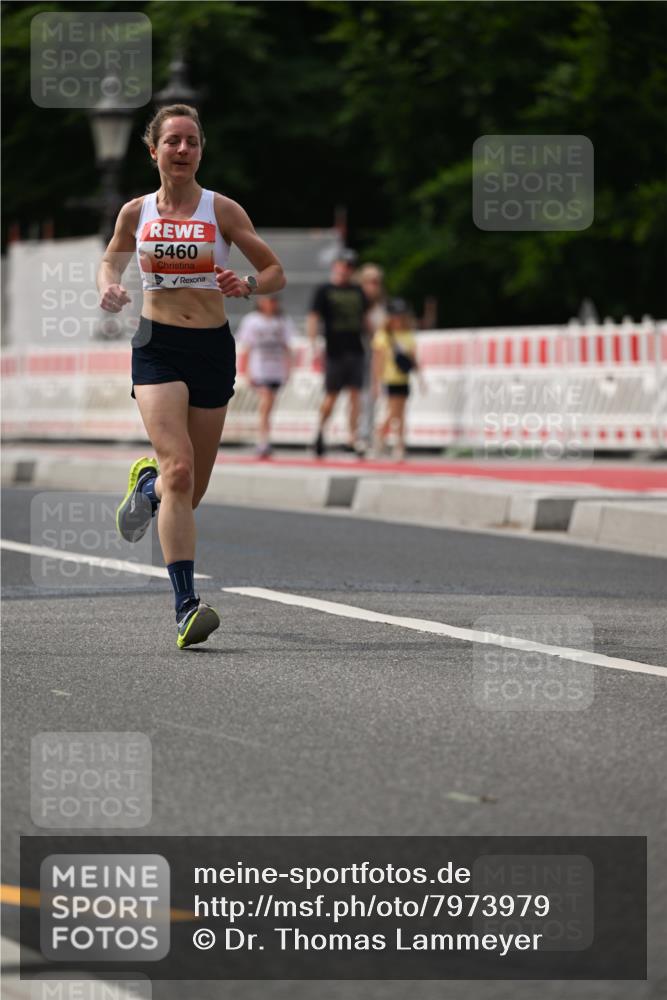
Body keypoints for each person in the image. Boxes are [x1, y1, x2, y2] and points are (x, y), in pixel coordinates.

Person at [97, 104, 285, 648]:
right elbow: (111, 257)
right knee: (180, 468)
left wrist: (246, 285)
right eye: (173, 141)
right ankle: (186, 607)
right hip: (157, 345)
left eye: (192, 142)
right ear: (152, 150)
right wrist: (106, 285)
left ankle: (147, 487)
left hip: (211, 348)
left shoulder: (221, 210)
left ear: (201, 151)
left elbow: (275, 272)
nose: (182, 151)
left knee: (190, 488)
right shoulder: (136, 212)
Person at [307, 249, 369, 457]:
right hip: (334, 350)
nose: (346, 269)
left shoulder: (358, 291)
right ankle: (320, 432)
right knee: (331, 395)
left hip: (355, 348)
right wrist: (313, 345)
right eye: (343, 264)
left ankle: (353, 438)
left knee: (355, 394)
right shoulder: (324, 290)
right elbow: (314, 317)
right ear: (336, 265)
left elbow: (366, 318)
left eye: (350, 266)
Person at [236, 295, 296, 458]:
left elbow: (287, 347)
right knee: (266, 402)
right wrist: (246, 371)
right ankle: (263, 440)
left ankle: (264, 438)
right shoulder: (252, 321)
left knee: (269, 406)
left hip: (275, 369)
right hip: (259, 368)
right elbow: (246, 347)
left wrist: (288, 368)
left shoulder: (282, 321)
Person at [371, 298, 419, 462]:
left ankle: (398, 445)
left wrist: (421, 377)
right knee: (393, 413)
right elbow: (378, 361)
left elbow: (413, 359)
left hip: (403, 379)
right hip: (390, 379)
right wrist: (376, 382)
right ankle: (382, 439)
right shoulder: (383, 335)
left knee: (401, 414)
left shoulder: (407, 335)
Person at [356, 263, 387, 449]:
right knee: (360, 395)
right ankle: (360, 433)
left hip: (376, 354)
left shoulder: (381, 307)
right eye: (369, 282)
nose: (373, 286)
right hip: (357, 353)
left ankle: (368, 433)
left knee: (372, 394)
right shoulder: (356, 303)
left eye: (376, 282)